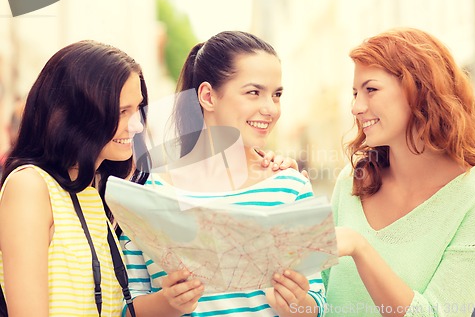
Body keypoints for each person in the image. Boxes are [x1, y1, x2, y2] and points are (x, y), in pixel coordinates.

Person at [120, 31, 327, 317]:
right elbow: (127, 306)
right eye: (254, 92)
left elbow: (318, 302)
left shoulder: (290, 188)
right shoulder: (147, 196)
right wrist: (168, 303)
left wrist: (295, 304)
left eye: (276, 95)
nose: (270, 109)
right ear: (207, 96)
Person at [321, 27, 475, 317]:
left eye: (371, 89)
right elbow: (320, 301)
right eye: (354, 93)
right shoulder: (352, 181)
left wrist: (360, 247)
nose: (356, 107)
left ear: (419, 90)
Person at [0, 40, 150, 316]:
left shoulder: (92, 193)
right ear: (77, 113)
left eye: (137, 109)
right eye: (121, 111)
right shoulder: (30, 187)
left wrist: (174, 301)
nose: (137, 125)